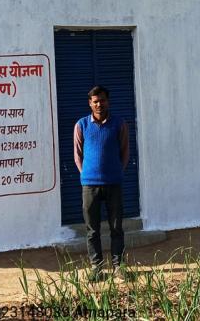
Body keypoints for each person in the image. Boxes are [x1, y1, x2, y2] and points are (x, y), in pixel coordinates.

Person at [73, 85, 129, 279]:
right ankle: (96, 268)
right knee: (92, 230)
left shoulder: (119, 124)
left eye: (102, 100)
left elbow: (125, 152)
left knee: (116, 228)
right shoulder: (81, 125)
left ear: (108, 101)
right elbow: (77, 155)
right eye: (95, 101)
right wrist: (85, 174)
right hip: (89, 186)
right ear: (90, 103)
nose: (99, 104)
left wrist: (117, 172)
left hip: (114, 184)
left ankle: (119, 267)